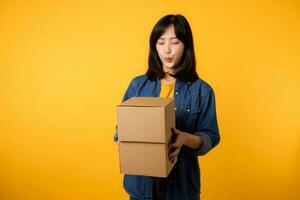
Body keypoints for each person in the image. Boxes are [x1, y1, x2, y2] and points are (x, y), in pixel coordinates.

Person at [114, 14, 220, 200]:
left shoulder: (202, 90)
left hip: (181, 188)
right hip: (141, 187)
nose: (167, 50)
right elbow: (120, 131)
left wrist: (184, 138)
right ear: (154, 46)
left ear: (186, 45)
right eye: (161, 42)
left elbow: (210, 136)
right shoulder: (138, 85)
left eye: (175, 42)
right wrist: (127, 141)